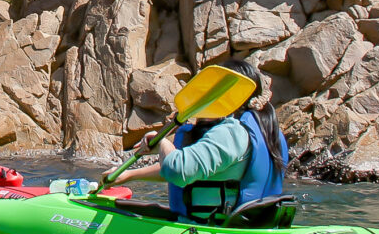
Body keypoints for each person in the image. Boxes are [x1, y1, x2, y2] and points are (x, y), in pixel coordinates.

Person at [106, 59, 288, 224]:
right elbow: (194, 168)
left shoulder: (231, 133)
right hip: (244, 226)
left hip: (210, 231)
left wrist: (164, 144)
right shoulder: (267, 132)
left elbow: (177, 171)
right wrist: (130, 175)